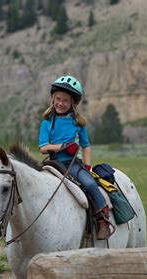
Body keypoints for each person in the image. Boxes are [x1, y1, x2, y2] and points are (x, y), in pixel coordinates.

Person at [38, 75, 112, 240]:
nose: (61, 103)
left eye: (65, 100)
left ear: (73, 103)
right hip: (53, 163)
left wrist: (87, 166)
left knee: (90, 184)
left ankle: (103, 219)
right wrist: (63, 147)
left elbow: (85, 146)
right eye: (58, 99)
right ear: (52, 98)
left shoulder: (79, 123)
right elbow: (43, 148)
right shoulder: (46, 123)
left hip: (73, 164)